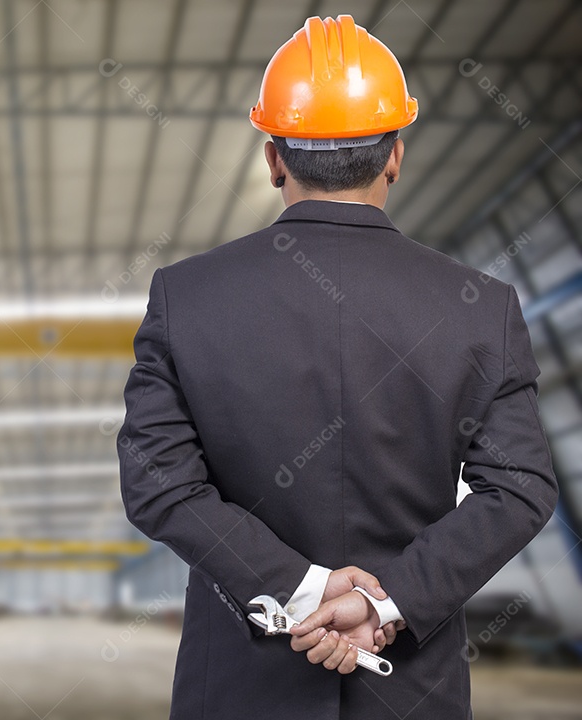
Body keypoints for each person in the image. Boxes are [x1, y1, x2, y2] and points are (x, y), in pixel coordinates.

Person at [116, 14, 558, 719]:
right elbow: (520, 487)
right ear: (395, 156)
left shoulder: (186, 298)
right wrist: (389, 599)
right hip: (412, 689)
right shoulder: (481, 308)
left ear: (273, 159)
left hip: (238, 690)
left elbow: (158, 482)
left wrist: (301, 587)